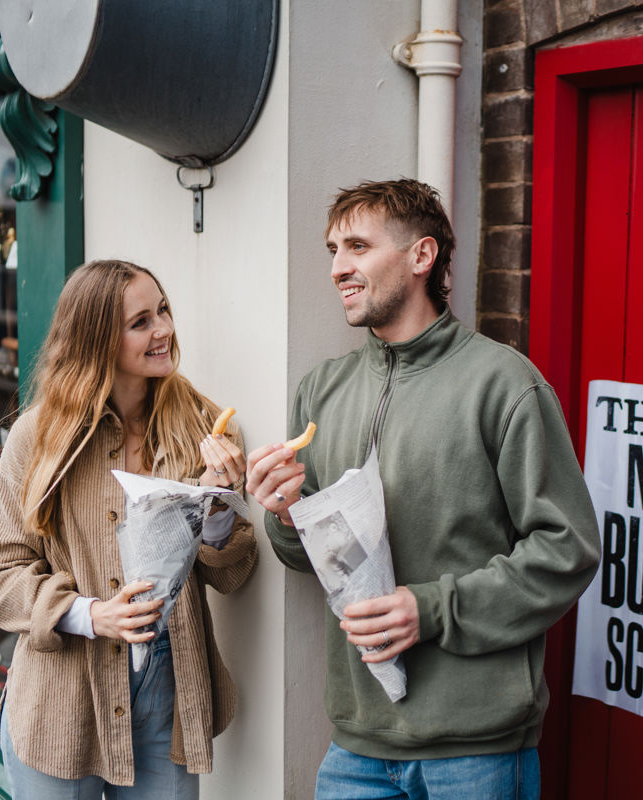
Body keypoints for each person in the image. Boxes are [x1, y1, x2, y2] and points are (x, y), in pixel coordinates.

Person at [245, 179, 600, 799]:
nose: (337, 268)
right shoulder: (320, 390)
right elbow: (314, 561)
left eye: (357, 246)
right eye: (332, 249)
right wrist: (285, 514)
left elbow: (567, 550)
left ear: (421, 256)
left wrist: (431, 609)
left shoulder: (504, 383)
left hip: (476, 748)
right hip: (356, 747)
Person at [0, 259, 257, 799]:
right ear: (98, 339)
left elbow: (234, 572)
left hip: (166, 692)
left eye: (164, 310)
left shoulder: (205, 426)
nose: (165, 330)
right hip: (62, 696)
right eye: (141, 321)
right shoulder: (39, 435)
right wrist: (91, 614)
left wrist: (219, 507)